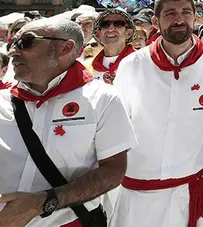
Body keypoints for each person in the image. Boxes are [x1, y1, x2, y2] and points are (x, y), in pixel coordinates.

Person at [111, 0, 203, 227]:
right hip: (140, 192)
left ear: (195, 17)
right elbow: (118, 124)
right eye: (170, 14)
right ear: (155, 21)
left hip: (193, 187)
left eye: (186, 12)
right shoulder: (132, 65)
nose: (179, 19)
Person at [0, 18, 136, 227]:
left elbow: (113, 171)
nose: (12, 52)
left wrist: (43, 202)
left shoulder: (102, 99)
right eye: (12, 43)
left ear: (65, 48)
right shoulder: (2, 101)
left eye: (26, 42)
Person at [91, 8, 135, 85]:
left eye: (118, 24)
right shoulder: (88, 66)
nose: (111, 28)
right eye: (105, 24)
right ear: (98, 35)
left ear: (128, 33)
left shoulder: (141, 61)